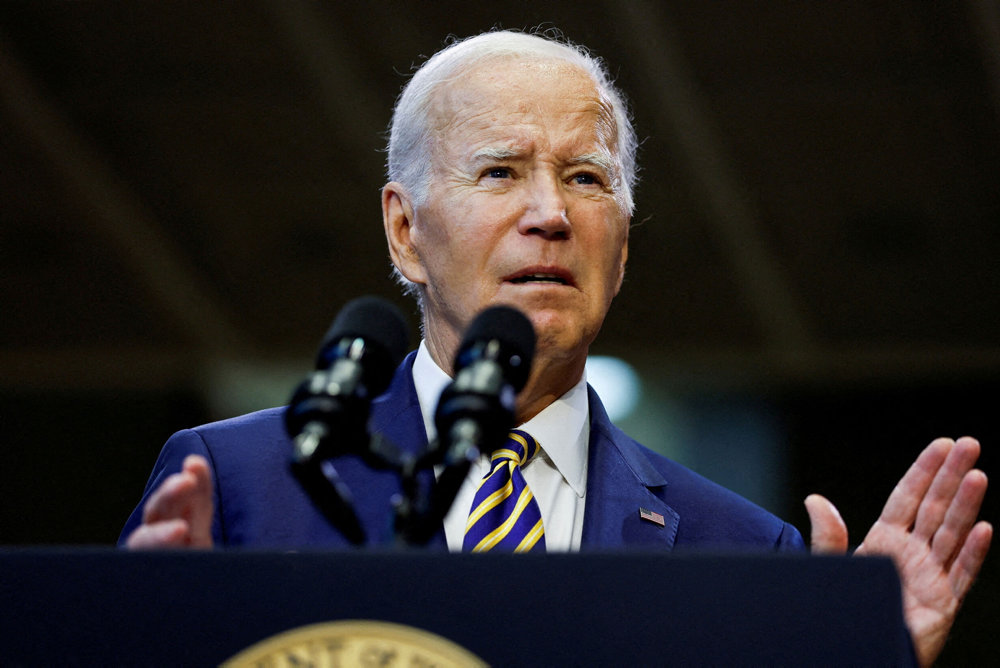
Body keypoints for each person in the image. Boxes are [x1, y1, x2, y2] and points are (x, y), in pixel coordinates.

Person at [121, 30, 991, 665]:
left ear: (623, 245)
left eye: (586, 179)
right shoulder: (233, 487)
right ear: (404, 231)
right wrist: (132, 646)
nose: (551, 213)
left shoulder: (742, 554)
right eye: (500, 171)